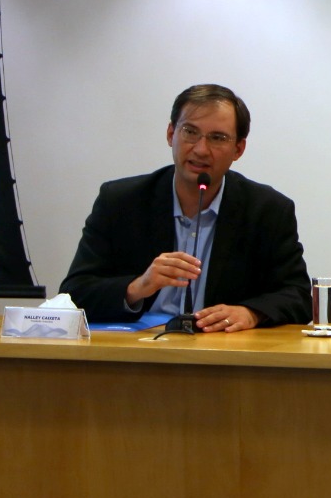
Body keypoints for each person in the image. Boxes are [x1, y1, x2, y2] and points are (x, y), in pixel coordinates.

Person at [61, 84, 310, 331]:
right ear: (171, 134)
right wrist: (137, 287)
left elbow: (298, 296)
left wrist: (251, 313)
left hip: (221, 347)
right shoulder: (120, 202)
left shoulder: (267, 210)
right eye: (190, 132)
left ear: (238, 149)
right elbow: (74, 293)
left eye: (217, 138)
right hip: (139, 347)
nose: (201, 149)